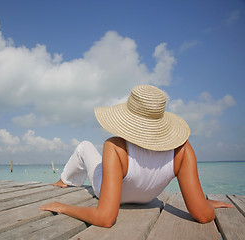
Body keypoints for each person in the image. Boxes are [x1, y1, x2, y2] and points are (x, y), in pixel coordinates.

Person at [39, 85, 232, 228]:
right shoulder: (183, 149)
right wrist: (202, 203)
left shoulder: (115, 146)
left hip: (107, 190)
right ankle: (64, 179)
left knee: (84, 147)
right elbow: (204, 216)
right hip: (148, 198)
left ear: (128, 117)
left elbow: (105, 218)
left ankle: (64, 180)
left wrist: (64, 207)